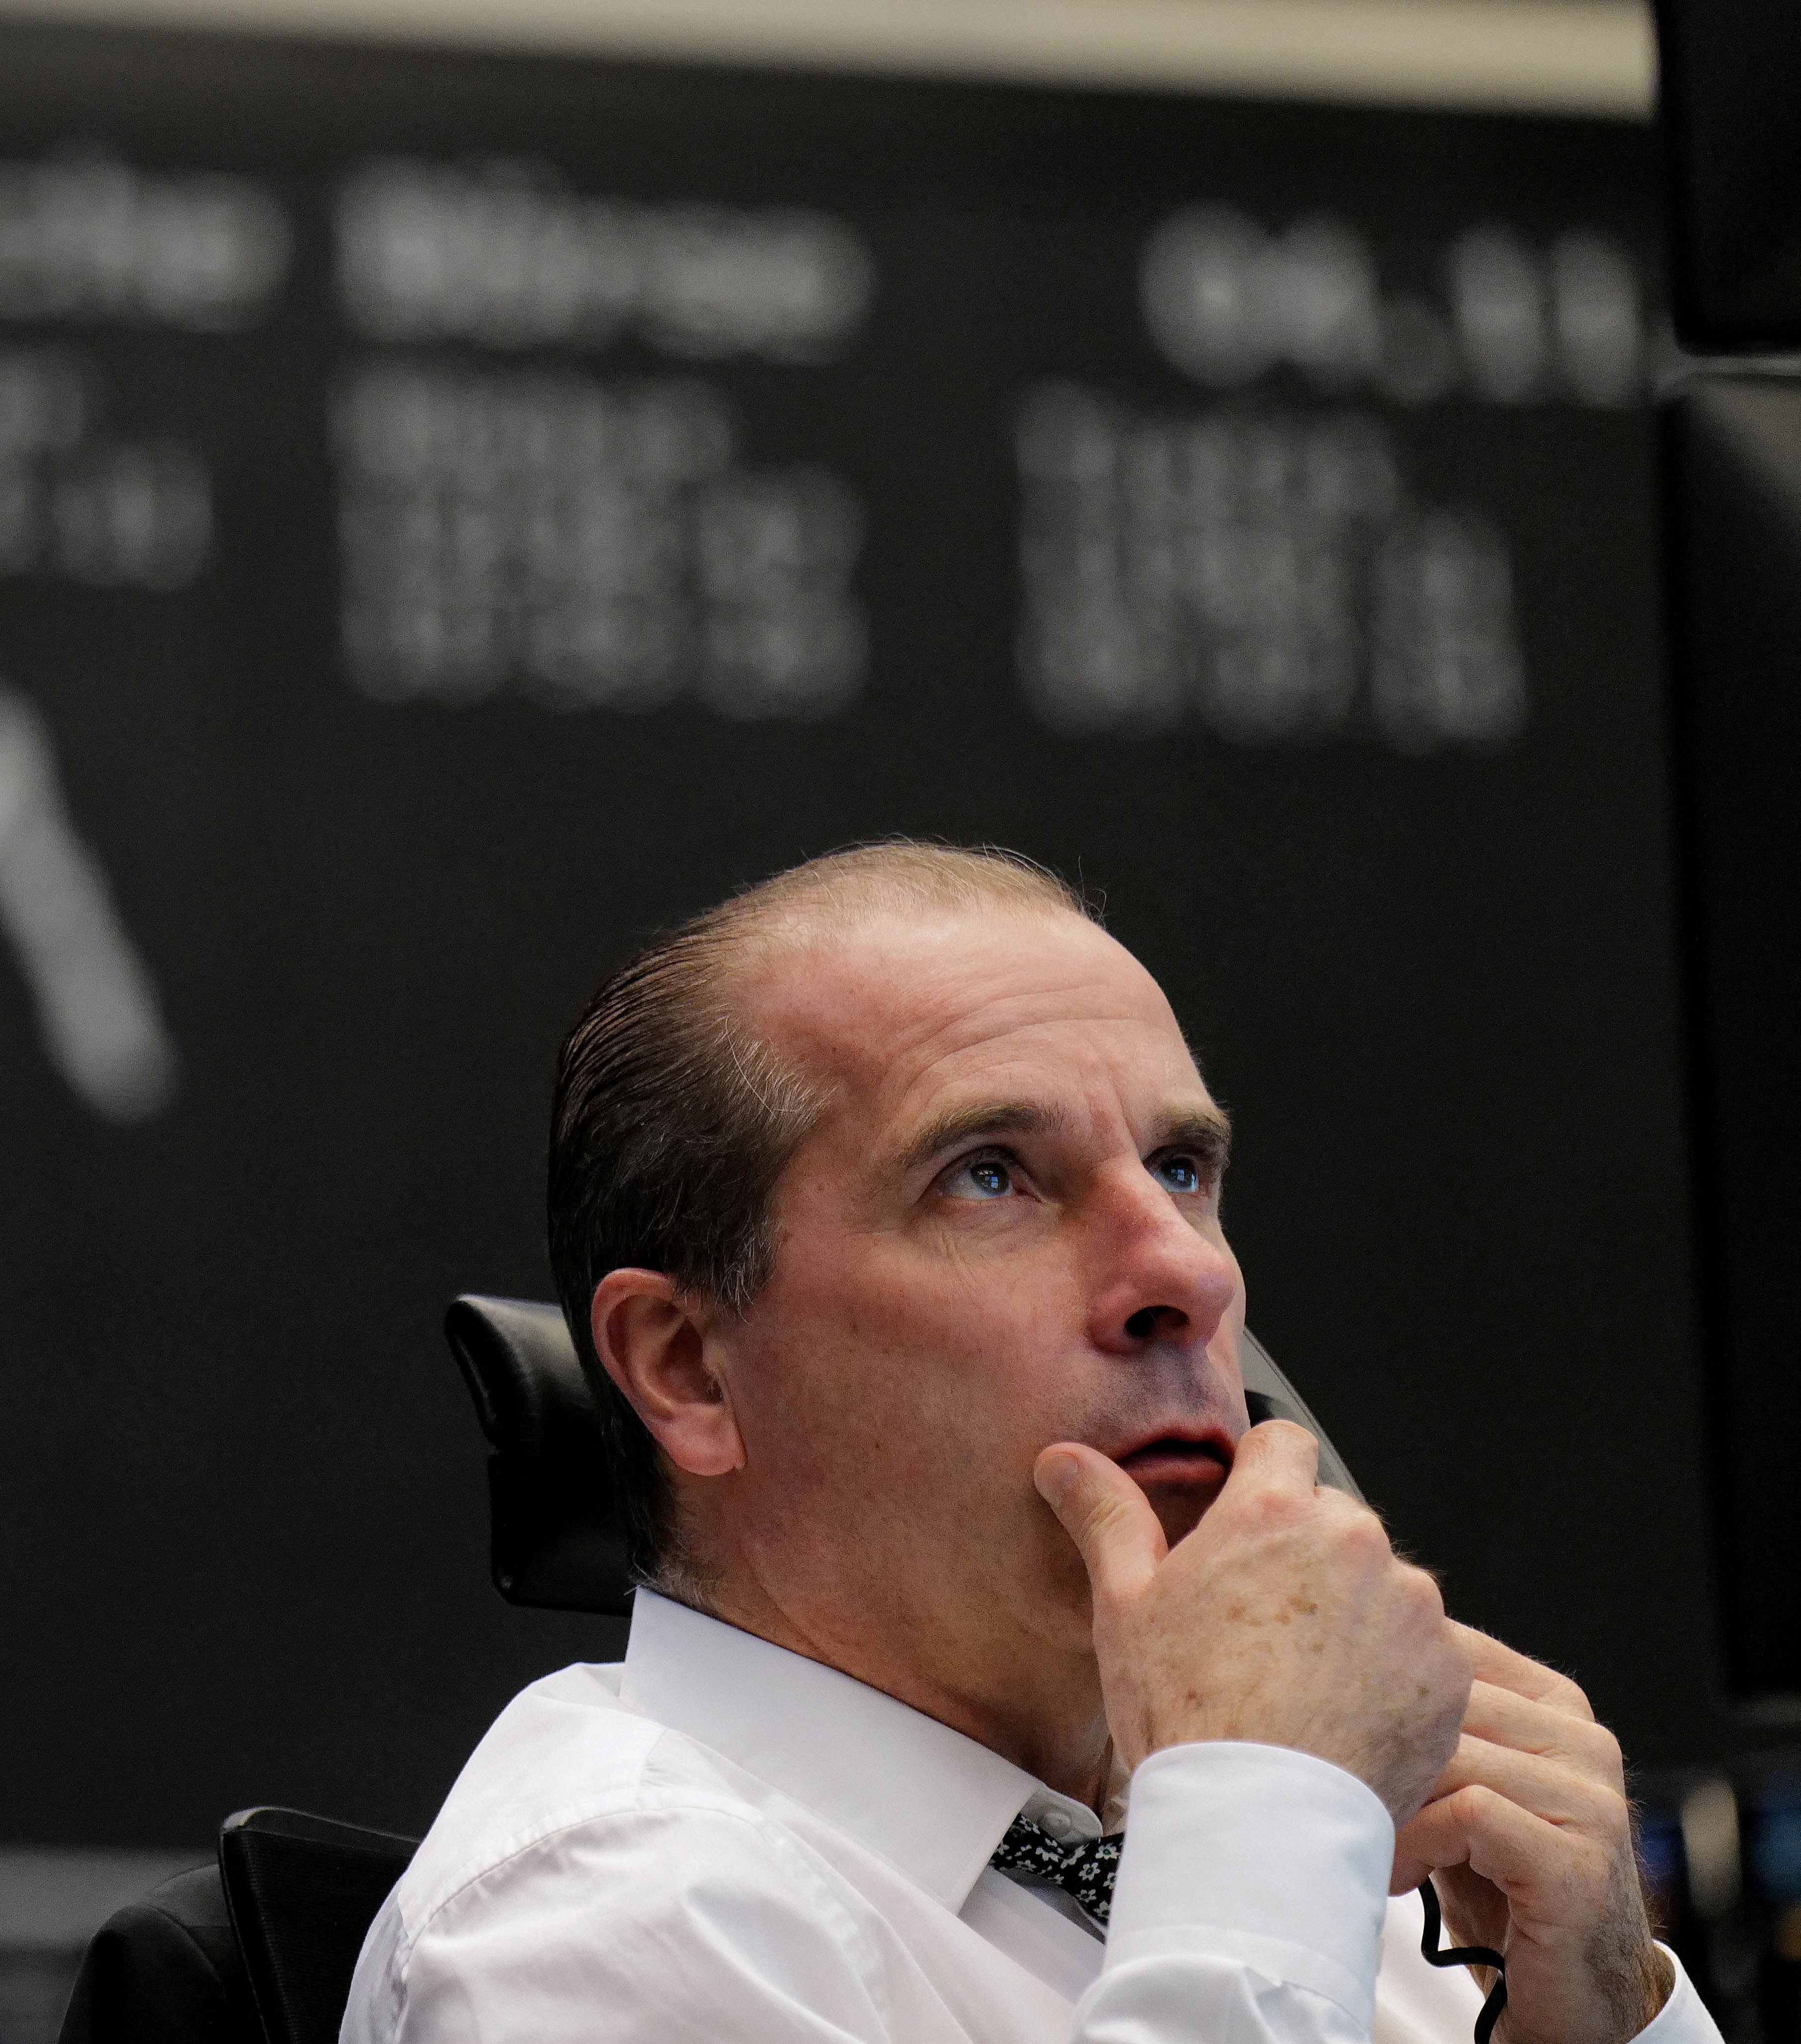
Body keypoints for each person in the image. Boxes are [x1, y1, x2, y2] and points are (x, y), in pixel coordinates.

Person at [341, 841, 1716, 2044]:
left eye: (1183, 1170)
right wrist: (1262, 1816)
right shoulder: (603, 1921)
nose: (1186, 1271)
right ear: (688, 1368)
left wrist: (1607, 2028)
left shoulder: (1318, 1857)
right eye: (990, 1176)